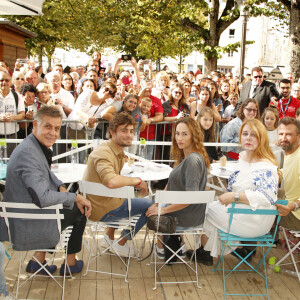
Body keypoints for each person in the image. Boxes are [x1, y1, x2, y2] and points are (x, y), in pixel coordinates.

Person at [0, 106, 92, 276]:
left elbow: (49, 174)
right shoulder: (29, 153)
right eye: (48, 126)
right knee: (80, 210)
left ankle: (38, 262)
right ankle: (70, 263)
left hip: (27, 213)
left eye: (57, 128)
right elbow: (42, 198)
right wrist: (73, 197)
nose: (53, 133)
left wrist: (60, 186)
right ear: (35, 124)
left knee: (69, 204)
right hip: (25, 223)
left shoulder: (33, 145)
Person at [187, 119, 279, 264]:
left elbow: (267, 197)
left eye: (253, 135)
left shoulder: (265, 165)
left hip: (255, 220)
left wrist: (234, 197)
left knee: (201, 208)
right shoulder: (243, 159)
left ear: (262, 138)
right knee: (204, 207)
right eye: (245, 134)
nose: (248, 138)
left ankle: (226, 247)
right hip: (240, 213)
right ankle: (208, 252)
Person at [82, 112, 153, 257]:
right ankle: (121, 243)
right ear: (112, 132)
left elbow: (114, 180)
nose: (129, 135)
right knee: (150, 205)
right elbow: (111, 181)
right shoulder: (103, 152)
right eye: (124, 130)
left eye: (131, 131)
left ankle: (108, 237)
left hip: (102, 202)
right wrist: (138, 181)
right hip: (99, 209)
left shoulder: (114, 150)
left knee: (127, 198)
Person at [146, 117, 210, 259]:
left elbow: (190, 198)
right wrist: (158, 203)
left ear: (194, 135)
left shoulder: (193, 160)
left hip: (186, 217)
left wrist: (162, 209)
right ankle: (176, 244)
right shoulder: (187, 156)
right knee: (151, 205)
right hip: (185, 211)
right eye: (177, 133)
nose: (179, 138)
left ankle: (162, 245)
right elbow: (170, 185)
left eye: (185, 134)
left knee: (146, 209)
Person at [275, 117, 300, 231]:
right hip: (290, 202)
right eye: (281, 134)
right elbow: (288, 170)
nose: (283, 138)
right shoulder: (291, 153)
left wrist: (293, 206)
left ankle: (252, 247)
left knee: (257, 212)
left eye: (288, 134)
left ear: (298, 137)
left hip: (296, 215)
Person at [0, 71, 25, 156]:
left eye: (7, 80)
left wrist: (12, 117)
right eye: (1, 80)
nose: (4, 83)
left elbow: (22, 114)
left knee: (11, 161)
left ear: (10, 82)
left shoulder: (16, 96)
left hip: (12, 135)